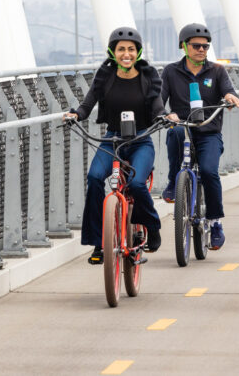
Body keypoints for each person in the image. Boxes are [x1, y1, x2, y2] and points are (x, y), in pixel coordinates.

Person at [64, 26, 165, 265]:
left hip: (141, 140)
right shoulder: (105, 75)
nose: (126, 53)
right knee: (95, 177)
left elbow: (157, 104)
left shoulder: (149, 75)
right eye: (121, 49)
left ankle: (152, 225)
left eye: (131, 49)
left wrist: (164, 116)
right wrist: (76, 115)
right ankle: (99, 243)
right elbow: (88, 104)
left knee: (137, 184)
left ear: (138, 52)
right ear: (113, 52)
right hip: (112, 139)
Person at [161, 23, 239, 250]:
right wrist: (168, 114)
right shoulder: (170, 71)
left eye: (205, 46)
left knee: (208, 172)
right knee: (175, 132)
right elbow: (159, 99)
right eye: (196, 46)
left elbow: (229, 90)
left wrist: (229, 96)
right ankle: (172, 181)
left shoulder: (217, 71)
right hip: (184, 127)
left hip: (209, 131)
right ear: (184, 47)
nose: (202, 50)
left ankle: (215, 222)